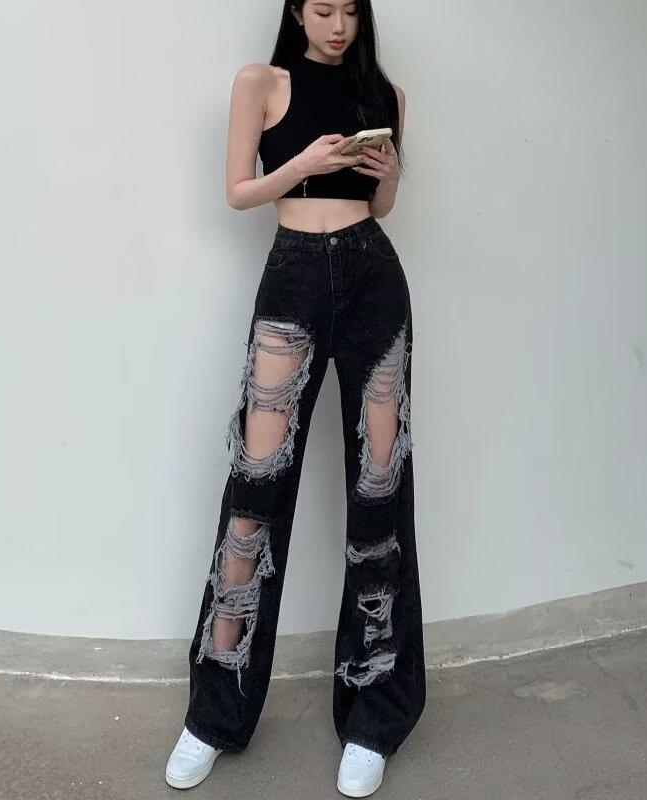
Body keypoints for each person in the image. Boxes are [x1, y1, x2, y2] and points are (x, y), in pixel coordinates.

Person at [165, 1, 425, 795]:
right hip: (293, 278)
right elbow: (239, 192)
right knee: (255, 492)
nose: (337, 24)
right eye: (322, 8)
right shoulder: (261, 83)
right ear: (295, 10)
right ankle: (215, 714)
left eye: (350, 10)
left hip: (374, 279)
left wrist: (389, 180)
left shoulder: (386, 93)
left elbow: (381, 209)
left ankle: (374, 717)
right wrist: (303, 164)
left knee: (379, 492)